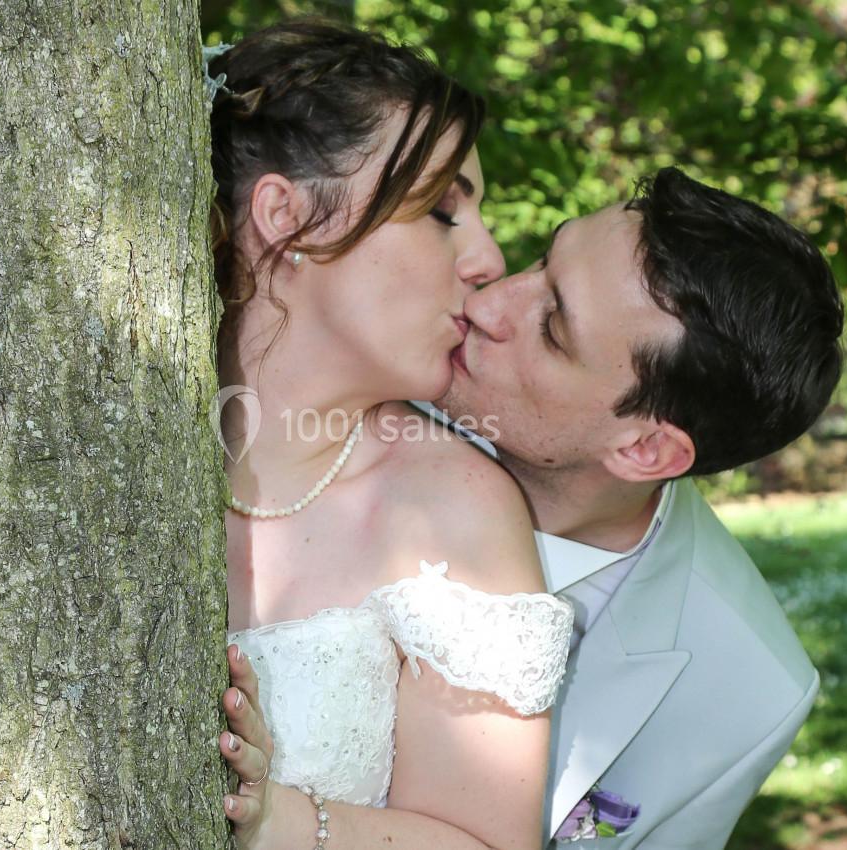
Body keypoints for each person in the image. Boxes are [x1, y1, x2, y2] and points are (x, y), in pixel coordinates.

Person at [222, 166, 844, 848]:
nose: (488, 304)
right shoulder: (363, 384)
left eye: (551, 327)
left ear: (643, 450)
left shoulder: (751, 691)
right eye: (544, 262)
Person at [207, 20, 575, 850]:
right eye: (443, 212)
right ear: (287, 217)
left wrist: (281, 821)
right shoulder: (85, 447)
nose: (487, 259)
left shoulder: (457, 511)